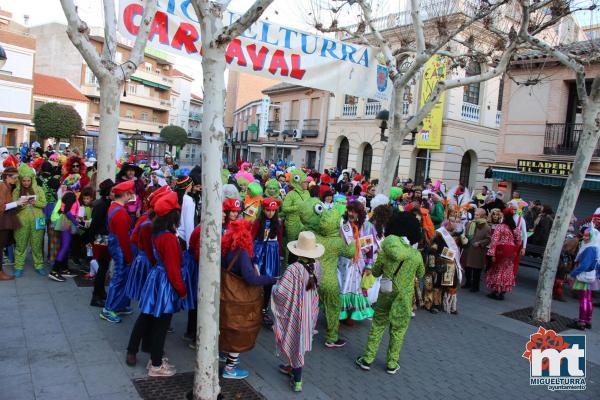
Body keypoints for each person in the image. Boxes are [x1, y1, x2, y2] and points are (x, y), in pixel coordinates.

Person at [356, 211, 424, 374]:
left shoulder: (386, 251)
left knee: (378, 325)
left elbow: (377, 272)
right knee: (398, 330)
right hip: (404, 298)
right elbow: (421, 274)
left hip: (386, 294)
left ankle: (367, 359)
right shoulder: (415, 255)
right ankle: (392, 363)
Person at [128, 191, 186, 376]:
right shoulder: (168, 238)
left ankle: (141, 352)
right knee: (162, 322)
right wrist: (182, 290)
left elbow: (154, 257)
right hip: (165, 282)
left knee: (146, 316)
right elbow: (173, 269)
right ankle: (156, 363)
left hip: (155, 277)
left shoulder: (155, 231)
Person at [220, 219, 276, 379]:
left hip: (226, 295)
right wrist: (270, 279)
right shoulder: (242, 252)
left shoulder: (227, 248)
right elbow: (250, 279)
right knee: (239, 331)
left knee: (227, 328)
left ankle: (226, 357)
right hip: (238, 300)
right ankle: (230, 369)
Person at [273, 231, 323, 393]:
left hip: (295, 312)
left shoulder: (293, 269)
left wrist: (274, 287)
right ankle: (292, 367)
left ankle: (298, 379)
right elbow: (316, 287)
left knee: (296, 341)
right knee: (299, 342)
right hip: (309, 313)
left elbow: (281, 292)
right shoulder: (316, 265)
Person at [100, 180, 136, 323]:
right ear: (126, 194)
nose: (132, 195)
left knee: (121, 277)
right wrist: (128, 257)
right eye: (130, 193)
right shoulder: (121, 213)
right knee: (119, 278)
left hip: (115, 245)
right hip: (120, 249)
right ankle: (108, 309)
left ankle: (119, 305)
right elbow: (124, 240)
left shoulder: (114, 206)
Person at [338, 201, 376, 322]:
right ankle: (340, 314)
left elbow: (370, 248)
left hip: (359, 264)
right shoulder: (343, 224)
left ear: (359, 213)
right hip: (343, 263)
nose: (351, 213)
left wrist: (369, 266)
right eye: (349, 210)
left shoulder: (366, 227)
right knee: (342, 287)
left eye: (354, 211)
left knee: (356, 289)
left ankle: (351, 315)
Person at [251, 198, 283, 326]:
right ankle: (254, 306)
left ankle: (264, 309)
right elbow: (251, 237)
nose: (270, 213)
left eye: (273, 210)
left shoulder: (278, 223)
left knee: (270, 281)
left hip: (272, 255)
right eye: (268, 210)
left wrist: (280, 256)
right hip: (260, 253)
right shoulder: (258, 222)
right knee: (257, 279)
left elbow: (279, 240)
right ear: (263, 210)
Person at [13, 164, 47, 277]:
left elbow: (44, 203)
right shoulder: (16, 191)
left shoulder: (39, 189)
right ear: (21, 181)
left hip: (38, 220)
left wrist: (35, 203)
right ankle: (18, 267)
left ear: (32, 179)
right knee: (20, 244)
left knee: (36, 245)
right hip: (21, 222)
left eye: (28, 180)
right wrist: (21, 204)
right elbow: (13, 207)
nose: (26, 183)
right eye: (24, 181)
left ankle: (39, 265)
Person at [568, 227, 600, 330]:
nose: (585, 237)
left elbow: (584, 265)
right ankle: (587, 320)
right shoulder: (594, 247)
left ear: (593, 237)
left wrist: (573, 274)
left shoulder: (590, 248)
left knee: (584, 299)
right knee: (588, 299)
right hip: (590, 276)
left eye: (588, 235)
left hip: (584, 276)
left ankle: (581, 322)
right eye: (584, 234)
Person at [486, 209, 522, 300]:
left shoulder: (500, 227)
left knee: (497, 269)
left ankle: (496, 291)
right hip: (511, 252)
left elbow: (494, 240)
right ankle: (502, 292)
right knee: (507, 270)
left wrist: (492, 253)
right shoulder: (515, 228)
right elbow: (519, 241)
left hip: (501, 250)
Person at [89, 179, 114, 307]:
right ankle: (96, 296)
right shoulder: (101, 205)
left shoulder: (106, 203)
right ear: (108, 192)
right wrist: (91, 240)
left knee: (104, 268)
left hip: (104, 237)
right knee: (102, 268)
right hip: (101, 238)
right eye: (113, 190)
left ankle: (101, 292)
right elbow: (94, 225)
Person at [49, 191, 79, 282]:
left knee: (66, 246)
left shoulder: (67, 194)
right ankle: (54, 271)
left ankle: (64, 269)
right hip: (66, 222)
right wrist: (76, 222)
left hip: (65, 221)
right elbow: (67, 212)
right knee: (65, 246)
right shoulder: (71, 195)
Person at [0, 167, 23, 280]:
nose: (15, 180)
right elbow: (1, 207)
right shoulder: (3, 187)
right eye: (14, 178)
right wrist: (17, 203)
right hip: (2, 221)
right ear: (7, 177)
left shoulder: (7, 186)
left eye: (17, 178)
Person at [463, 208, 491, 292]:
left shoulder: (486, 227)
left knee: (476, 270)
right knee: (467, 267)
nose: (475, 216)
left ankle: (475, 286)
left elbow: (488, 239)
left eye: (477, 215)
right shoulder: (469, 223)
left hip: (478, 250)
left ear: (482, 216)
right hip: (468, 248)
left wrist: (479, 243)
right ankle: (468, 283)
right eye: (475, 214)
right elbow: (465, 234)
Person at [175, 176, 195, 248]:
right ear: (188, 186)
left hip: (176, 235)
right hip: (183, 238)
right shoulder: (188, 200)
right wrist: (189, 246)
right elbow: (189, 223)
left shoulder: (176, 197)